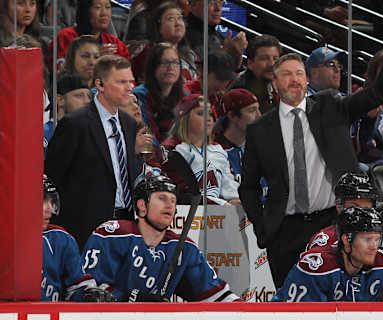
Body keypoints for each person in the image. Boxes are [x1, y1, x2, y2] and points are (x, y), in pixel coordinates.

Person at [239, 15, 383, 289]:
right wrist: (263, 228)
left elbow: (376, 94)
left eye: (299, 73)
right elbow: (248, 187)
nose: (294, 79)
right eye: (287, 74)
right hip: (285, 231)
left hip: (333, 223)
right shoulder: (259, 129)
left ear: (306, 80)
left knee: (338, 299)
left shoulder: (330, 106)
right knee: (291, 304)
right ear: (275, 84)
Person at [81, 167, 240, 302]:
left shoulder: (182, 248)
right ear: (142, 205)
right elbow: (88, 291)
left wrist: (247, 311)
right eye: (162, 198)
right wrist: (132, 298)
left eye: (173, 200)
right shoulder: (113, 235)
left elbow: (216, 295)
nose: (169, 205)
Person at [46, 55, 149, 250]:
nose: (129, 88)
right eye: (121, 82)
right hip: (85, 228)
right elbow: (53, 178)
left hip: (126, 223)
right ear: (100, 84)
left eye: (130, 82)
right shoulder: (75, 124)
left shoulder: (128, 124)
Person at [271, 207, 383, 302]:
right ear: (346, 241)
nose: (374, 247)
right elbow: (301, 316)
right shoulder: (318, 267)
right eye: (367, 239)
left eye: (377, 239)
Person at [42, 175, 114, 302]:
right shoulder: (6, 241)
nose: (50, 209)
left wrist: (88, 295)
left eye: (51, 202)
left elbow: (77, 286)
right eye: (42, 201)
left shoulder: (61, 239)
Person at [172, 94, 240, 205]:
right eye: (200, 113)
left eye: (210, 114)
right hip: (187, 214)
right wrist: (220, 203)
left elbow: (229, 185)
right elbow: (182, 192)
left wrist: (237, 199)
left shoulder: (219, 150)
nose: (208, 119)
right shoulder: (175, 149)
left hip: (217, 214)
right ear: (184, 118)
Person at [49, 0, 130, 74]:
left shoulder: (115, 43)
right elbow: (60, 75)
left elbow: (129, 80)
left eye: (108, 7)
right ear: (85, 11)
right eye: (98, 7)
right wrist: (96, 58)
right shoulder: (66, 37)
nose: (104, 13)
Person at [305, 171, 378, 251]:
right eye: (354, 207)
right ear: (339, 206)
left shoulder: (381, 240)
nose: (361, 213)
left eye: (366, 208)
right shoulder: (324, 243)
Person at [130, 1, 198, 83]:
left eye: (180, 18)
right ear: (159, 27)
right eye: (171, 19)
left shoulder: (190, 54)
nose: (178, 23)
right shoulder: (146, 52)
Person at [133, 42, 185, 145]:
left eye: (175, 62)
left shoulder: (186, 96)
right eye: (165, 62)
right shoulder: (139, 95)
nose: (171, 68)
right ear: (153, 67)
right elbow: (147, 133)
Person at [213, 88, 261, 183]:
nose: (259, 115)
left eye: (258, 109)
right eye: (252, 111)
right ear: (232, 116)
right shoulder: (214, 154)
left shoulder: (260, 148)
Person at [185, 0, 247, 68]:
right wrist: (224, 55)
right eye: (211, 2)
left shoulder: (223, 39)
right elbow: (197, 70)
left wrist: (237, 55)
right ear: (193, 4)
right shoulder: (179, 32)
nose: (218, 8)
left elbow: (231, 74)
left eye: (221, 2)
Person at [229, 34, 281, 114]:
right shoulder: (239, 93)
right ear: (250, 63)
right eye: (264, 59)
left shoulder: (276, 88)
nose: (271, 64)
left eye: (275, 59)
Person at [44, 74, 91, 158]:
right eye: (79, 96)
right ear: (60, 100)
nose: (87, 101)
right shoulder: (45, 133)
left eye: (89, 96)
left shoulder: (92, 132)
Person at [183, 50, 236, 119]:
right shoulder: (185, 94)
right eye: (220, 78)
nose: (222, 85)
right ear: (203, 71)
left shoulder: (219, 101)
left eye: (227, 79)